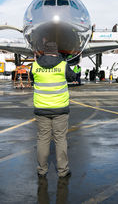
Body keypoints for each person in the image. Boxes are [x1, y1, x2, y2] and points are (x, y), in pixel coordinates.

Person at [30, 42, 75, 178]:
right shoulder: (63, 65)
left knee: (43, 139)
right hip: (60, 109)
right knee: (60, 139)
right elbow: (73, 78)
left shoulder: (35, 66)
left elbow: (32, 79)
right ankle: (63, 170)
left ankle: (42, 170)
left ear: (44, 52)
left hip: (42, 108)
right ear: (56, 52)